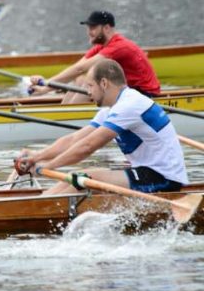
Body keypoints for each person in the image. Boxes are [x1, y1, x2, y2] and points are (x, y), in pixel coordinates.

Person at [15, 59, 187, 196]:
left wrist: (48, 167)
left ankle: (38, 208)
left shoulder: (129, 106)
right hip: (145, 171)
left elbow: (88, 146)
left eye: (90, 86)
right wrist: (36, 158)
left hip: (164, 177)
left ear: (104, 83)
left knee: (83, 177)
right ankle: (42, 201)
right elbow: (74, 139)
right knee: (75, 179)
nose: (88, 92)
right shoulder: (112, 107)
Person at [28, 11, 160, 104]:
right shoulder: (102, 46)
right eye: (88, 27)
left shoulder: (119, 46)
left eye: (93, 27)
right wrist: (45, 88)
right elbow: (76, 69)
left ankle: (67, 117)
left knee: (88, 81)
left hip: (145, 96)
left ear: (107, 28)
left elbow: (80, 68)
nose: (89, 32)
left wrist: (47, 82)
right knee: (80, 80)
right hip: (127, 93)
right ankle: (65, 112)